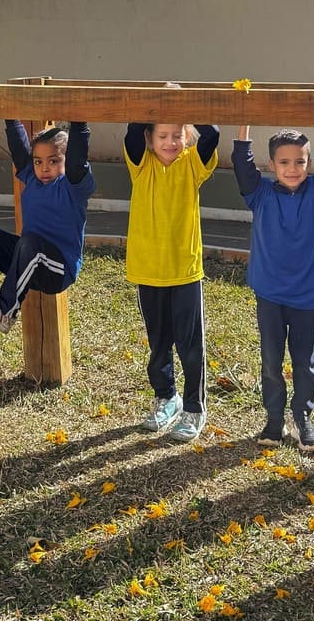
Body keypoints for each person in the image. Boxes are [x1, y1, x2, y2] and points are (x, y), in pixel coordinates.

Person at [231, 125, 314, 453]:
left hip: (307, 296)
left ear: (309, 163)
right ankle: (275, 420)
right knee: (271, 361)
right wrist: (243, 125)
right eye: (284, 162)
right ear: (271, 165)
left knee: (305, 362)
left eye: (300, 162)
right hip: (270, 294)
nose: (292, 169)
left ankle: (303, 419)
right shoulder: (260, 194)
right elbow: (242, 165)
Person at [124, 118, 219, 443]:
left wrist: (182, 104)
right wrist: (158, 101)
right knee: (159, 343)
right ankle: (167, 397)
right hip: (148, 270)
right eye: (162, 135)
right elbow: (134, 128)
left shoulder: (192, 163)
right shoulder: (140, 163)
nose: (170, 142)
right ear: (150, 138)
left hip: (184, 271)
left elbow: (213, 134)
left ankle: (194, 406)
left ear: (186, 135)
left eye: (177, 135)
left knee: (190, 346)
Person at [0, 120, 95, 333]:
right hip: (29, 260)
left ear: (67, 161)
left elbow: (77, 159)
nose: (44, 167)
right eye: (38, 161)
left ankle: (6, 311)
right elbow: (20, 149)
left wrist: (79, 122)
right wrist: (11, 118)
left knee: (31, 244)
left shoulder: (72, 186)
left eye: (54, 161)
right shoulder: (32, 178)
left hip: (58, 270)